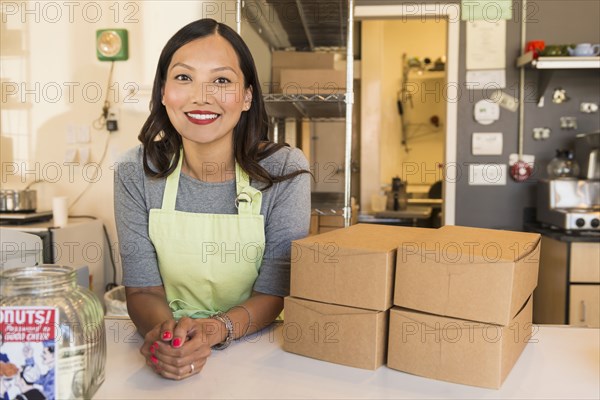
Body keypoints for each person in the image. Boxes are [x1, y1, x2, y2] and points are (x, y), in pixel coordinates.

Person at [113, 18, 311, 381]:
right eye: (184, 77)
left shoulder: (284, 169)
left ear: (247, 95)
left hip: (263, 353)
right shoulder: (134, 171)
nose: (200, 96)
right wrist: (168, 337)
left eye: (221, 80)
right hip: (172, 342)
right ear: (162, 91)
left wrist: (213, 330)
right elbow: (141, 289)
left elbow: (277, 291)